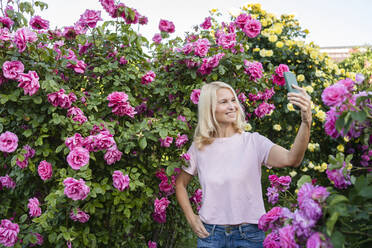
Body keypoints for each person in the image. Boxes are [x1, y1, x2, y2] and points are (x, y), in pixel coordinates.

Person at [175, 81, 312, 248]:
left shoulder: (254, 142)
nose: (232, 106)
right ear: (209, 108)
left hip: (249, 236)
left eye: (233, 100)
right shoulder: (199, 147)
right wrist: (191, 218)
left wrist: (306, 122)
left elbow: (292, 159)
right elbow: (180, 184)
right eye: (224, 102)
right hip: (210, 235)